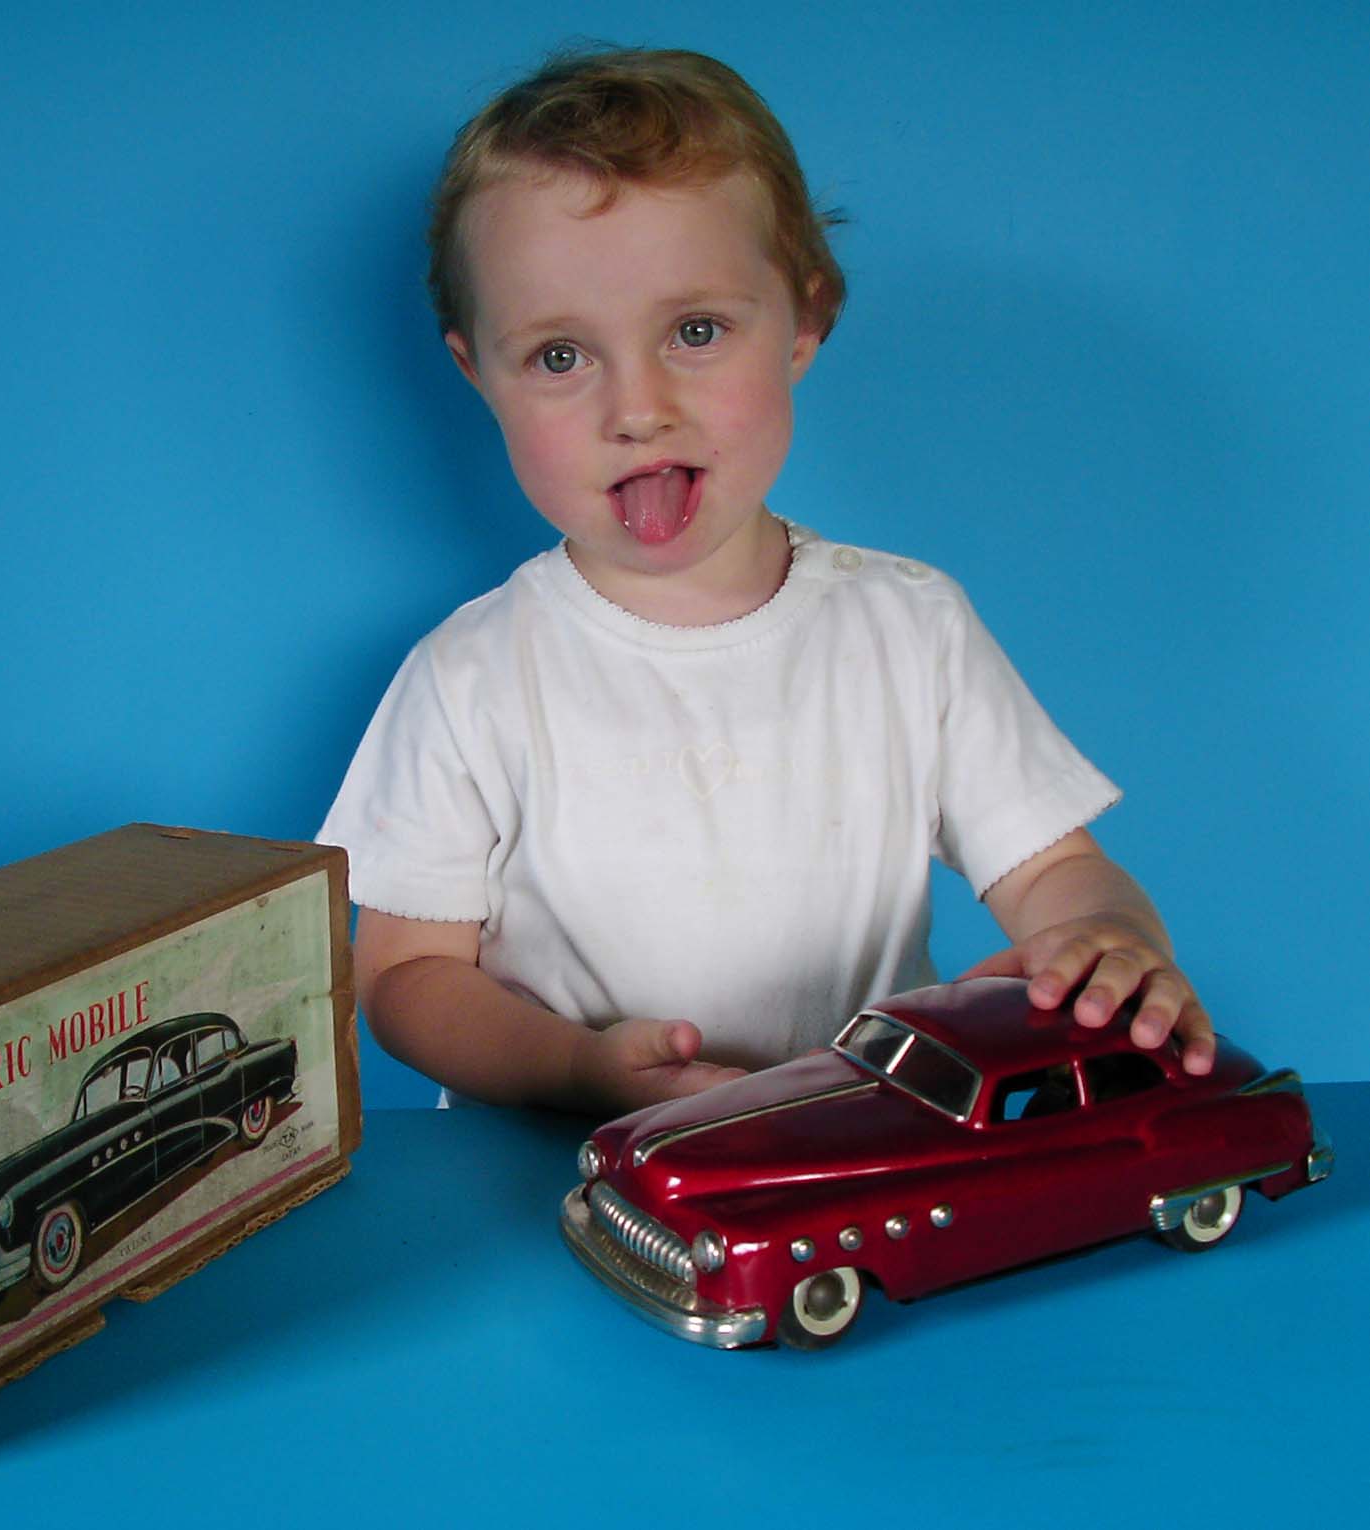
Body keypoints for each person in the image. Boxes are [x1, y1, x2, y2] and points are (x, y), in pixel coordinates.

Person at [319, 47, 1210, 1115]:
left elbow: (1051, 869)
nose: (637, 409)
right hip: (566, 1162)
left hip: (850, 1150)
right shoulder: (470, 675)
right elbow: (405, 978)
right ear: (477, 374)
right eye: (560, 356)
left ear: (803, 322)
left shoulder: (907, 626)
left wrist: (1104, 936)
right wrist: (573, 1067)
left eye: (694, 332)